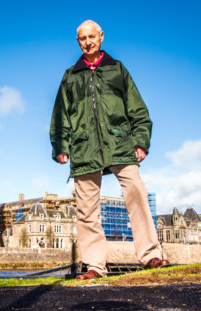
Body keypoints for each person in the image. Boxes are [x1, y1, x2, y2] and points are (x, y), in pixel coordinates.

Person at [50, 20, 169, 280]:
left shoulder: (117, 69)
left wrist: (140, 141)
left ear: (101, 37)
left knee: (136, 192)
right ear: (78, 41)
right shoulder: (70, 75)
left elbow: (137, 109)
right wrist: (61, 145)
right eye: (82, 38)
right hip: (84, 148)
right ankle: (94, 266)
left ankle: (151, 255)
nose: (88, 42)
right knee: (86, 208)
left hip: (119, 143)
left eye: (92, 36)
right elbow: (60, 114)